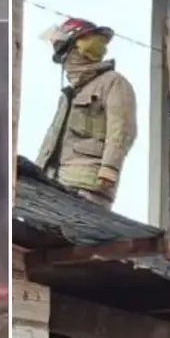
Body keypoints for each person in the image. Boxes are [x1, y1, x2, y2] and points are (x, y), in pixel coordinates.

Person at [34, 18, 137, 210]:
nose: (63, 60)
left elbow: (122, 129)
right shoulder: (70, 94)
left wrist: (109, 169)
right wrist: (37, 174)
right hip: (54, 183)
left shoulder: (113, 83)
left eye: (63, 51)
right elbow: (52, 139)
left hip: (86, 186)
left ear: (74, 50)